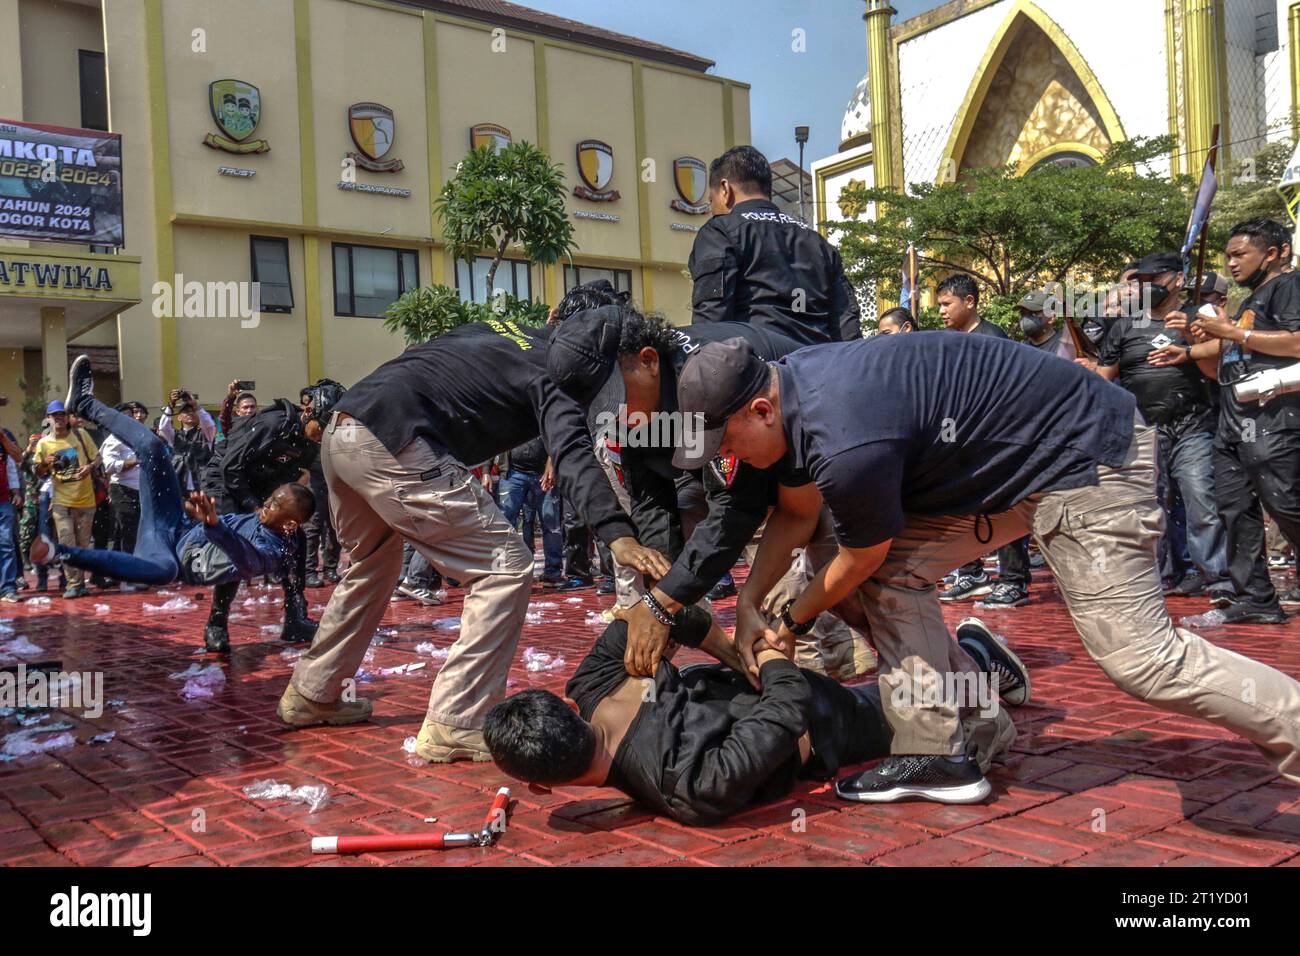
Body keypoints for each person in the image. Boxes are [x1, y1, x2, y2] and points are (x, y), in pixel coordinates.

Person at [676, 333, 1300, 802]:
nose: (729, 460)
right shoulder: (796, 390)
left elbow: (860, 554)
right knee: (892, 578)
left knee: (1142, 659)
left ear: (761, 409)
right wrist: (755, 604)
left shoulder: (843, 439)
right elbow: (793, 514)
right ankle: (951, 746)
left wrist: (790, 619)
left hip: (1086, 461)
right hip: (1020, 471)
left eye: (727, 443)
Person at [279, 318, 670, 764]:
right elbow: (571, 453)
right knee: (503, 567)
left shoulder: (502, 329)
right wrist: (616, 533)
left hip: (344, 430)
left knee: (372, 564)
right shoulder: (567, 372)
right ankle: (458, 721)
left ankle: (313, 691)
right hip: (400, 441)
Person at [548, 304, 873, 681]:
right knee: (770, 596)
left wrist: (661, 603)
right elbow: (653, 501)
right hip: (766, 478)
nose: (611, 419)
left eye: (612, 402)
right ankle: (823, 673)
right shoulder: (627, 410)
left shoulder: (707, 383)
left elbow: (736, 510)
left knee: (842, 588)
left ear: (649, 361)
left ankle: (868, 690)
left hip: (822, 458)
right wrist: (662, 592)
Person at [485, 610, 1026, 823]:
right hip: (823, 713)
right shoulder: (601, 688)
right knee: (930, 706)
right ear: (562, 705)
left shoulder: (683, 784)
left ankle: (980, 664)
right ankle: (982, 664)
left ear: (539, 787)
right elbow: (786, 711)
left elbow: (666, 613)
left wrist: (745, 654)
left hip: (799, 695)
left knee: (916, 694)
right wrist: (760, 658)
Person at [32, 357, 313, 591]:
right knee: (154, 448)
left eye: (275, 505)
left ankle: (60, 553)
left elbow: (244, 559)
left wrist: (215, 525)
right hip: (175, 522)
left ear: (289, 525)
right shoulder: (264, 517)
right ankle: (84, 403)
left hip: (170, 555)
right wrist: (203, 517)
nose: (266, 504)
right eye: (272, 498)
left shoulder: (273, 552)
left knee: (161, 571)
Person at [1151, 219, 1300, 620]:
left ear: (1275, 253)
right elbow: (1227, 352)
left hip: (1275, 419)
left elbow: (1296, 341)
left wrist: (1232, 332)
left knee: (1286, 505)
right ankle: (1256, 597)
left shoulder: (1289, 287)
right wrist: (1189, 351)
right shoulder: (1252, 299)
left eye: (1240, 254)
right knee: (1235, 509)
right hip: (1233, 419)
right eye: (1229, 255)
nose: (1231, 263)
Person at [1080, 252, 1230, 605]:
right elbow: (1105, 379)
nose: (1148, 287)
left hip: (1193, 427)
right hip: (1146, 432)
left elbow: (1213, 372)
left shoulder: (1197, 319)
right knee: (1152, 506)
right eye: (1142, 282)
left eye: (1155, 280)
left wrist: (1191, 342)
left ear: (1177, 280)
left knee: (1200, 502)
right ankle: (1160, 576)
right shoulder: (1124, 326)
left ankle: (1218, 579)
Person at [197, 380, 344, 652]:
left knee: (294, 540)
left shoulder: (310, 441)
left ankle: (295, 617)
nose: (323, 434)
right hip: (228, 481)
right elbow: (232, 467)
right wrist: (254, 507)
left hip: (264, 487)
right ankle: (217, 622)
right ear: (308, 411)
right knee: (237, 547)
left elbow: (292, 476)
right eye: (322, 427)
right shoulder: (272, 424)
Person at [689, 145, 860, 345]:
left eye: (711, 200)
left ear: (725, 189)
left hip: (760, 369)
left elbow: (710, 324)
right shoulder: (820, 244)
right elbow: (848, 331)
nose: (712, 209)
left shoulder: (720, 232)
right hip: (819, 368)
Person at [936, 275, 1031, 606]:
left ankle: (1014, 581)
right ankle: (973, 572)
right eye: (940, 305)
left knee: (1004, 508)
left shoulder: (993, 338)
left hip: (997, 437)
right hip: (963, 440)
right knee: (965, 509)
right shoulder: (950, 340)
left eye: (947, 304)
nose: (942, 312)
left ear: (970, 302)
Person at [34, 399, 98, 599]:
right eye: (54, 416)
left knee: (82, 545)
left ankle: (80, 585)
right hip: (61, 502)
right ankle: (74, 583)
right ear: (48, 419)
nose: (59, 418)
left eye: (61, 414)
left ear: (67, 417)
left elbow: (98, 458)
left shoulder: (80, 434)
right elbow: (39, 472)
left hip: (86, 500)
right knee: (66, 542)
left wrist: (89, 467)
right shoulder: (44, 444)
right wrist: (44, 463)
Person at [99, 401, 151, 593]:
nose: (131, 418)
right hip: (122, 489)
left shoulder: (138, 436)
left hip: (141, 490)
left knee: (134, 532)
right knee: (130, 532)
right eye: (126, 415)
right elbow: (109, 466)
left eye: (132, 414)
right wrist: (133, 461)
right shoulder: (113, 439)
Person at [498, 438, 564, 587]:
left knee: (551, 523)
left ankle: (553, 573)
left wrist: (552, 464)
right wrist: (486, 471)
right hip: (512, 473)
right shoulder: (510, 415)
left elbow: (555, 436)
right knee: (503, 523)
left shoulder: (544, 414)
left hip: (543, 473)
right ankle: (501, 571)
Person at [157, 388, 215, 493]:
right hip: (180, 484)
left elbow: (209, 424)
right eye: (186, 411)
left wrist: (196, 406)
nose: (190, 413)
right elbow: (163, 427)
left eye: (193, 411)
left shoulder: (206, 434)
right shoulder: (175, 435)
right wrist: (171, 405)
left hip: (203, 485)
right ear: (179, 417)